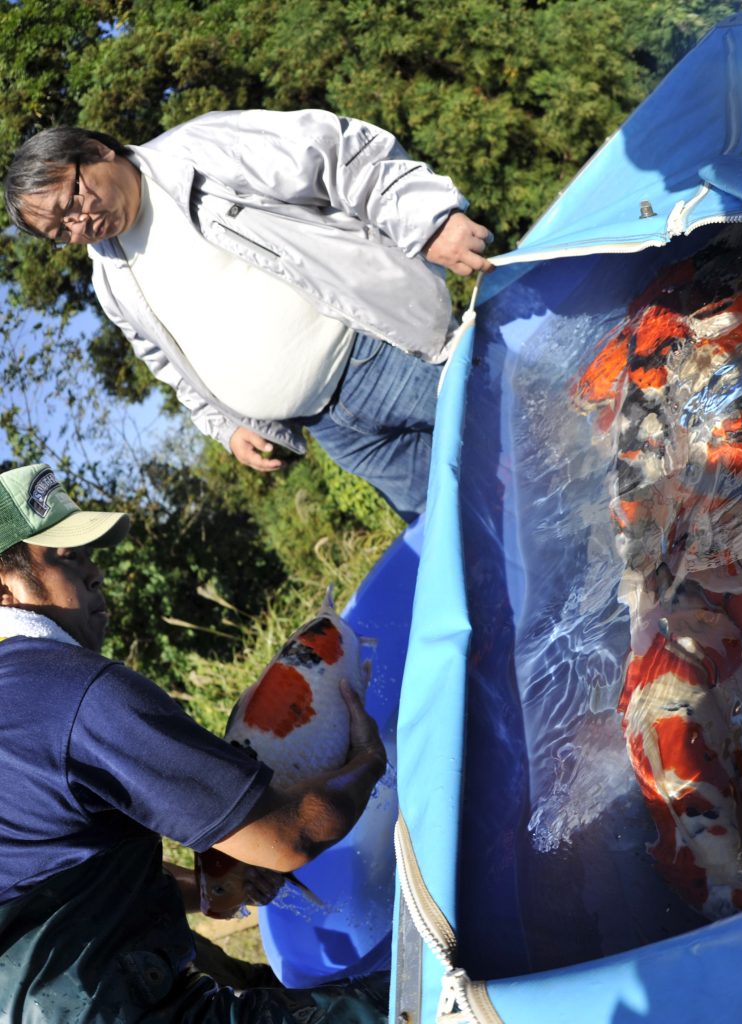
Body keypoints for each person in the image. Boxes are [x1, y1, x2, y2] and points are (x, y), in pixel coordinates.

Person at [0, 462, 390, 1022]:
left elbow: (64, 875)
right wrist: (368, 758)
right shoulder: (77, 692)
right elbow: (292, 836)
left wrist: (214, 889)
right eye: (68, 558)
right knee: (404, 1003)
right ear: (4, 588)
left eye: (90, 556)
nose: (96, 574)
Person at [3, 110, 495, 521]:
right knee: (457, 527)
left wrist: (428, 220)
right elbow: (166, 363)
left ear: (97, 151)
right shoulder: (109, 278)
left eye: (71, 201)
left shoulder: (199, 151)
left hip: (383, 355)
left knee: (519, 433)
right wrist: (226, 427)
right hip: (332, 429)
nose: (79, 226)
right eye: (60, 232)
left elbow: (337, 153)